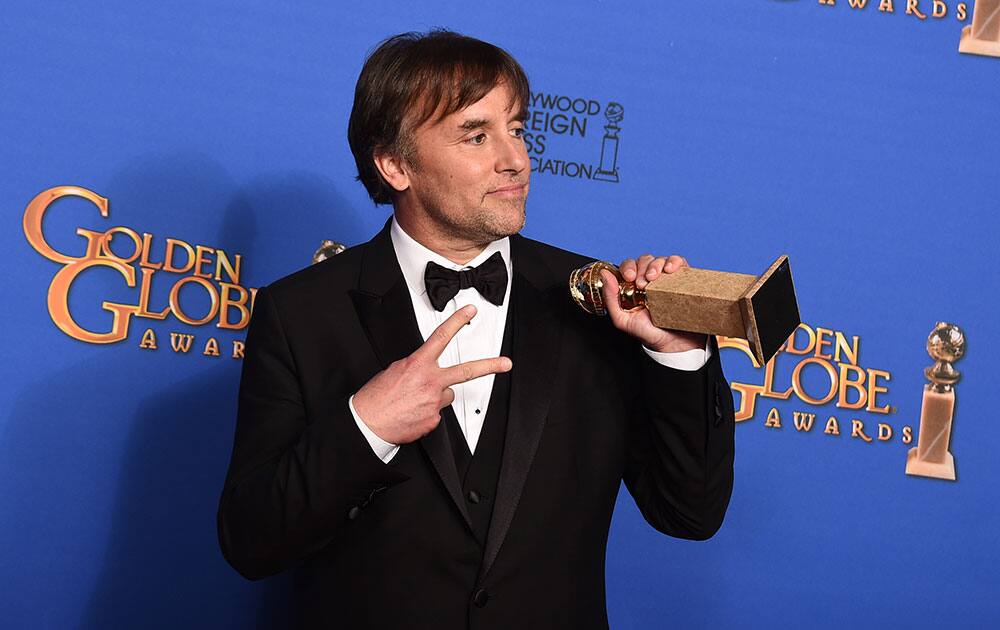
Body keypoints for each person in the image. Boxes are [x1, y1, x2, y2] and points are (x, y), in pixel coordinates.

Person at [217, 29, 735, 630]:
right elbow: (251, 542)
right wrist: (366, 427)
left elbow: (690, 513)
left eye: (516, 128)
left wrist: (676, 358)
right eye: (475, 134)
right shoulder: (300, 314)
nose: (514, 159)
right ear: (394, 164)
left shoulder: (597, 302)